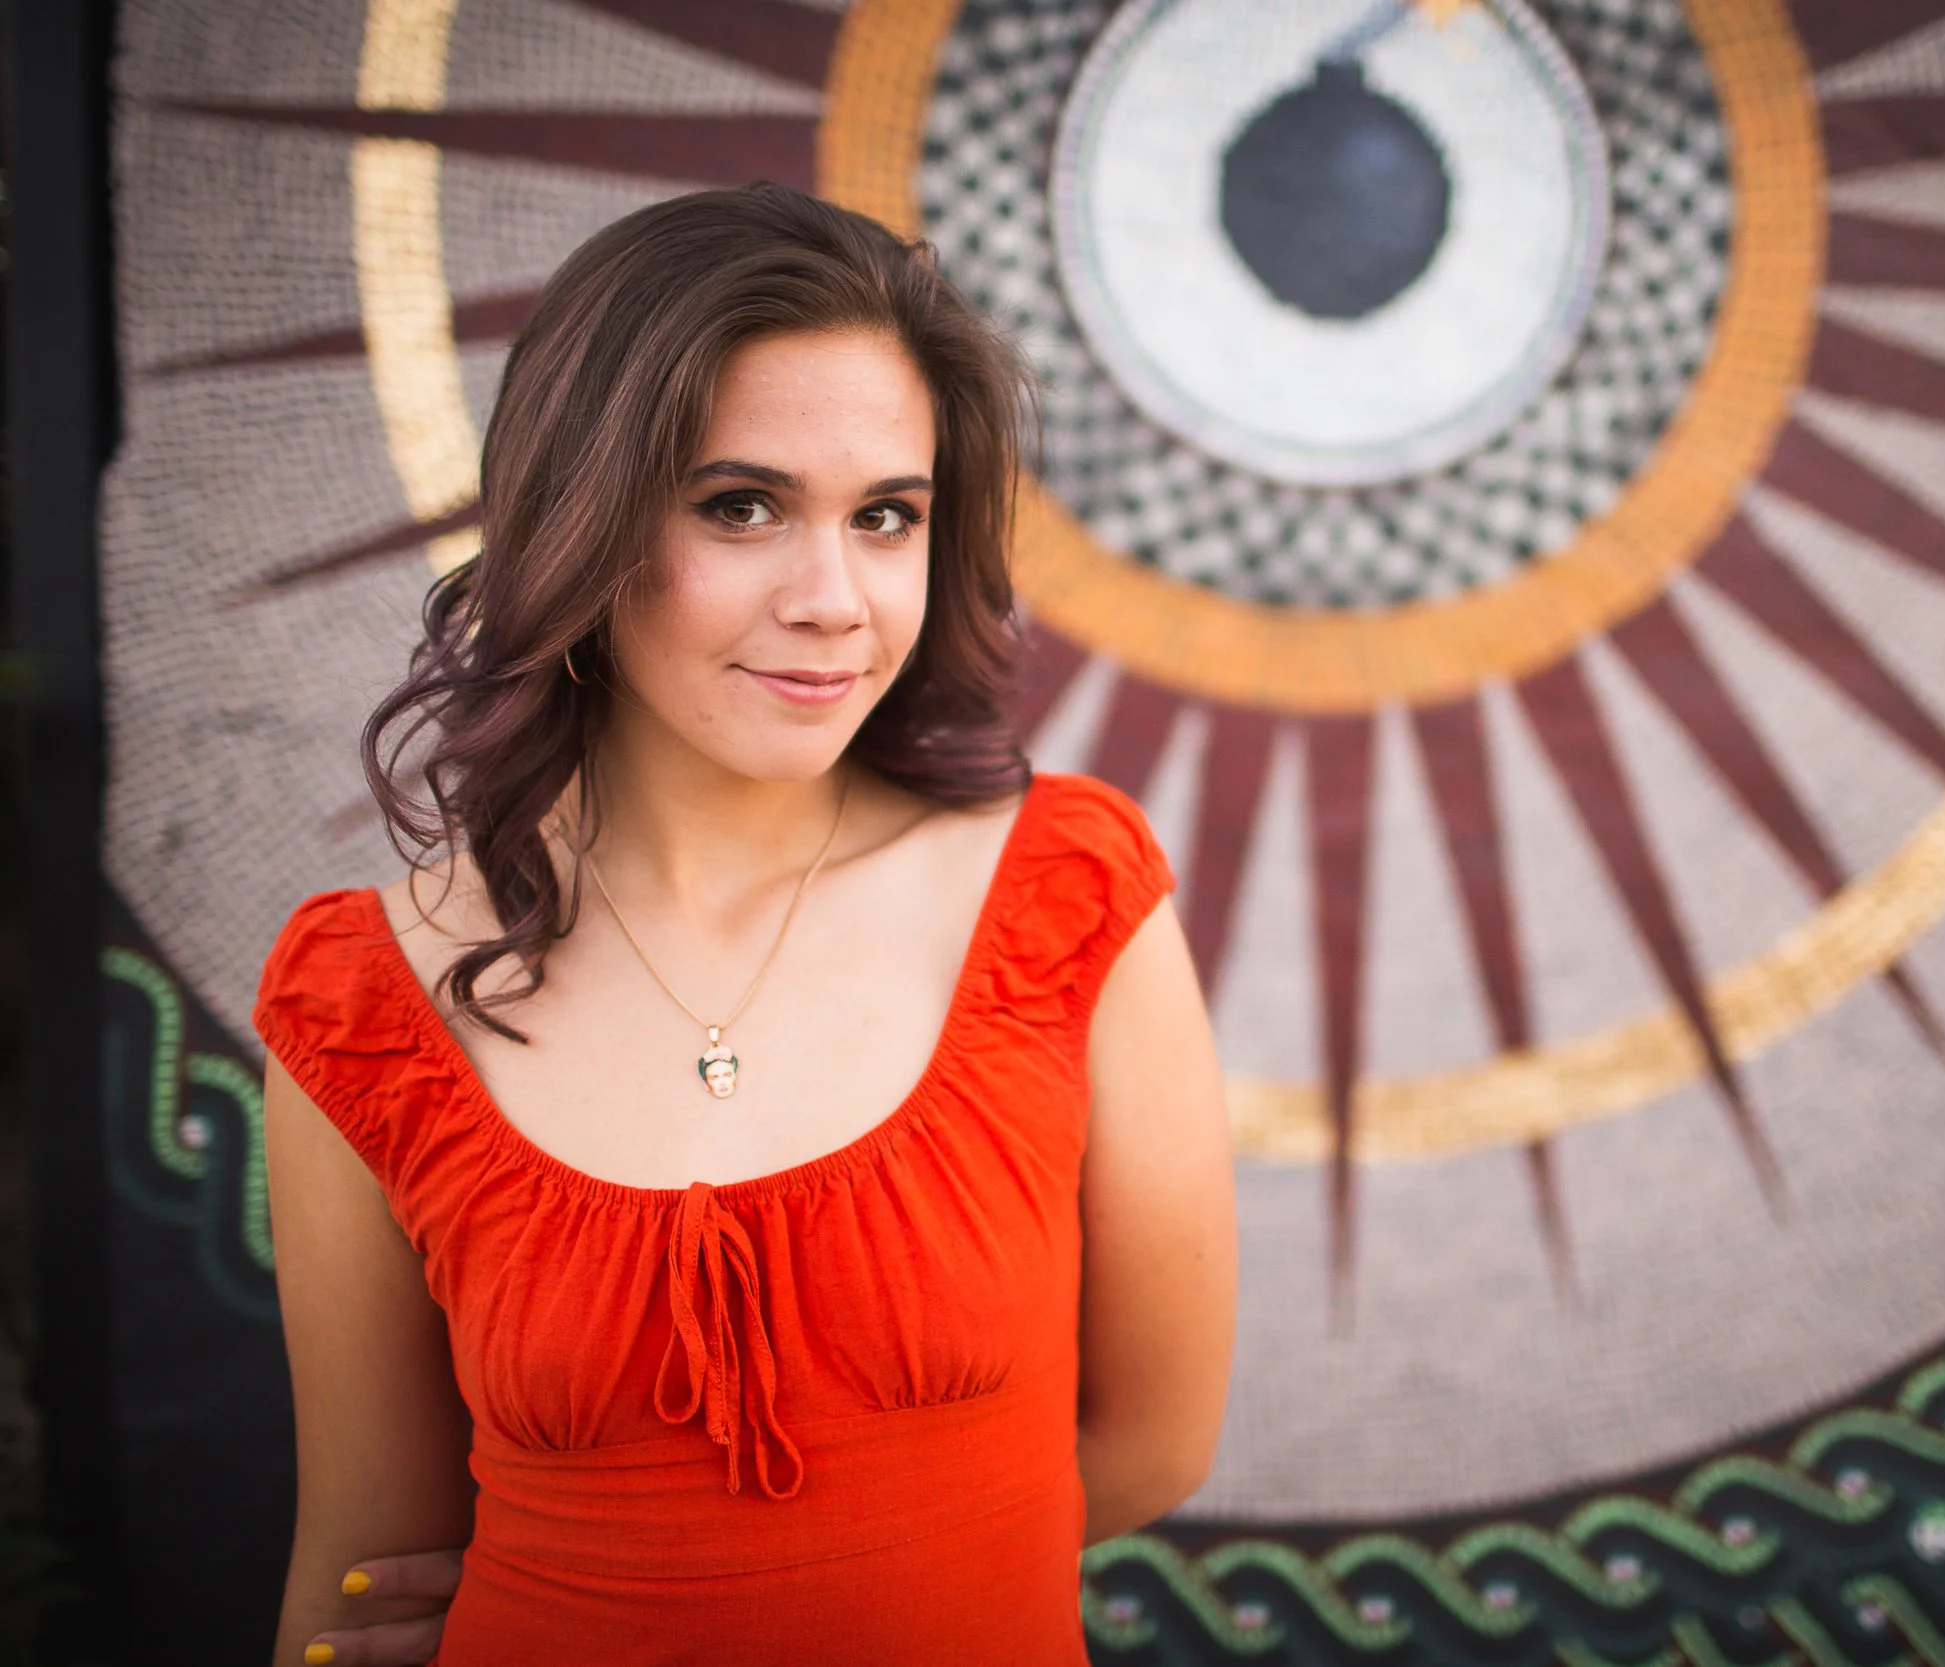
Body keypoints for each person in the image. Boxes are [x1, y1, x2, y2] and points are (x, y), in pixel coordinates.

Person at [257, 183, 1237, 1666]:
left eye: (886, 517)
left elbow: (1155, 1436)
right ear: (578, 518)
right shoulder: (365, 995)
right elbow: (362, 1573)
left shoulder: (1065, 897)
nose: (834, 599)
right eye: (741, 505)